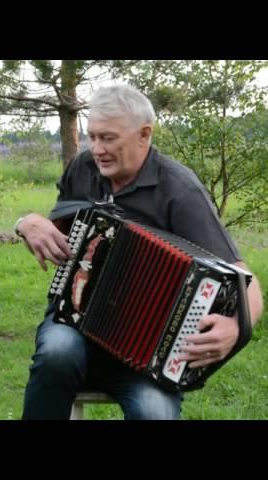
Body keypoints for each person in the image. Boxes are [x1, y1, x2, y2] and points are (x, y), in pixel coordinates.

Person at [15, 84, 264, 420]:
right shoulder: (84, 167)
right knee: (57, 352)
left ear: (144, 134)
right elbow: (58, 227)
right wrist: (27, 222)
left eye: (108, 138)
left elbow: (244, 278)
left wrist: (236, 328)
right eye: (92, 136)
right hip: (74, 323)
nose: (97, 149)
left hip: (147, 351)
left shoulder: (179, 189)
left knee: (154, 412)